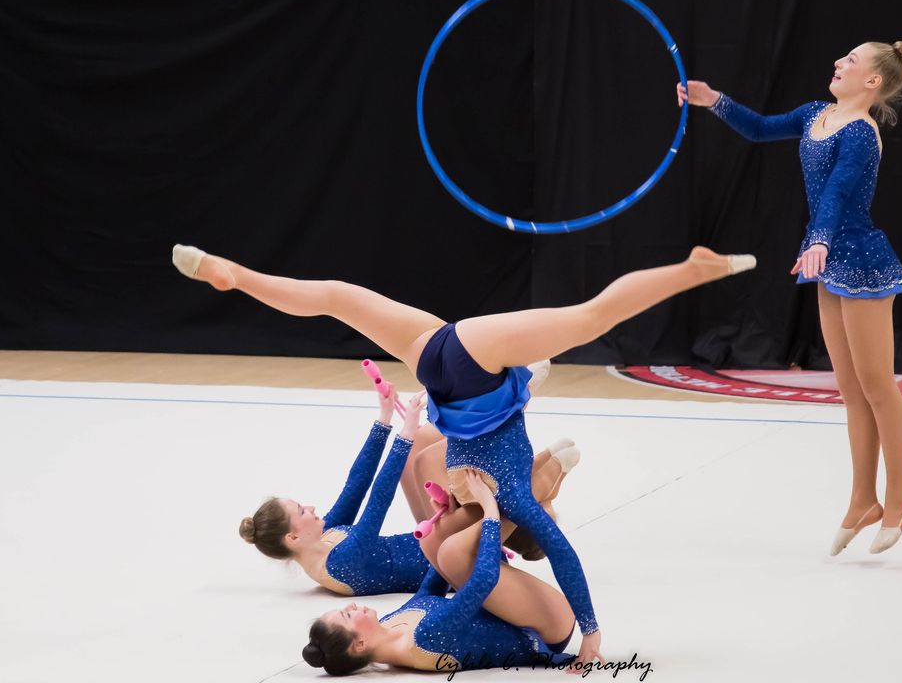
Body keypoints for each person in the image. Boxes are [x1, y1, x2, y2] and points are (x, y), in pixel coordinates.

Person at [173, 241, 755, 663]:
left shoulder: (513, 501)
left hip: (472, 363)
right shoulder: (465, 509)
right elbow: (497, 561)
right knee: (334, 296)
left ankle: (692, 270)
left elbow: (560, 557)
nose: (439, 518)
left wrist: (592, 632)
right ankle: (238, 275)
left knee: (590, 317)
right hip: (436, 365)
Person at [677, 40, 902, 554]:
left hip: (862, 260)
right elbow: (761, 128)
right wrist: (712, 99)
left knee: (878, 387)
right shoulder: (815, 114)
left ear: (872, 81)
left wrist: (819, 239)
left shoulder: (861, 132)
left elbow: (838, 191)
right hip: (827, 260)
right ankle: (863, 499)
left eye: (851, 60)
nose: (838, 62)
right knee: (851, 390)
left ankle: (899, 497)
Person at [239, 387, 579, 593]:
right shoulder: (338, 564)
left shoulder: (323, 539)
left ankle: (533, 455)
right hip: (454, 558)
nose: (312, 508)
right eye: (301, 511)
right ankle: (515, 410)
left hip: (437, 536)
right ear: (293, 538)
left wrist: (384, 419)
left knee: (425, 452)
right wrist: (404, 433)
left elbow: (357, 484)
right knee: (445, 461)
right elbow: (378, 501)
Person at [301, 471, 578, 676]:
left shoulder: (388, 625)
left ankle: (536, 496)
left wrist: (446, 526)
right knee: (454, 550)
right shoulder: (423, 640)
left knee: (436, 542)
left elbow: (430, 591)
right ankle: (535, 490)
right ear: (360, 644)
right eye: (347, 616)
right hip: (543, 629)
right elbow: (483, 581)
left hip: (511, 612)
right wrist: (490, 514)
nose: (350, 607)